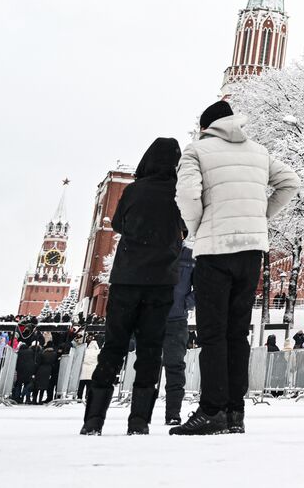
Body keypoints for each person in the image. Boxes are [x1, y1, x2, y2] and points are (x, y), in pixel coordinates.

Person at [172, 100, 300, 436]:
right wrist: (260, 218)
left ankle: (212, 410)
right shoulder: (259, 151)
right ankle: (235, 412)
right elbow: (291, 182)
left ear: (206, 127)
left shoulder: (196, 151)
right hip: (251, 252)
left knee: (213, 333)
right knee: (237, 334)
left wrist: (197, 227)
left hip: (215, 251)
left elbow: (186, 194)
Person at [81, 137, 186, 435]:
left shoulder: (133, 190)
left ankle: (94, 419)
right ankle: (139, 420)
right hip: (162, 282)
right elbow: (186, 227)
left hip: (127, 279)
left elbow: (117, 225)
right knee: (151, 350)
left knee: (113, 347)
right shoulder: (177, 193)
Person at [163, 239, 196, 426]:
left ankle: (173, 413)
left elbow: (200, 286)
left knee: (175, 367)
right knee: (146, 366)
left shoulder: (190, 255)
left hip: (176, 320)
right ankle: (140, 415)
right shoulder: (154, 250)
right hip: (152, 318)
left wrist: (185, 303)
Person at [76, 335, 101, 404]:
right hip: (92, 370)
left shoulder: (85, 351)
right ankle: (88, 397)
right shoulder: (98, 352)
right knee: (89, 385)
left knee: (81, 385)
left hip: (83, 370)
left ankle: (79, 397)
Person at [34, 340, 58, 404]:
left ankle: (34, 400)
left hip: (41, 370)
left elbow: (38, 362)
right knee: (43, 386)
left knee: (37, 386)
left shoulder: (43, 353)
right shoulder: (54, 354)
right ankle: (40, 400)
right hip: (49, 370)